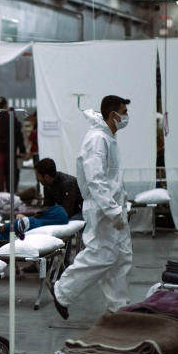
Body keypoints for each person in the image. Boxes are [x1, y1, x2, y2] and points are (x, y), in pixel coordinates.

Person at [52, 96, 133, 320]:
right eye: (123, 112)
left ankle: (119, 306)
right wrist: (112, 210)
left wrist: (120, 205)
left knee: (120, 257)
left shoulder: (108, 137)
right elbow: (96, 179)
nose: (126, 117)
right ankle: (62, 291)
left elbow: (111, 178)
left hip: (112, 207)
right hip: (102, 209)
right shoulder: (98, 139)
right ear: (112, 114)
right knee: (102, 255)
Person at [0, 97, 26, 193]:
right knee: (11, 176)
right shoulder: (11, 118)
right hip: (9, 152)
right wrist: (22, 149)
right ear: (5, 106)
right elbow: (18, 135)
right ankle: (10, 197)